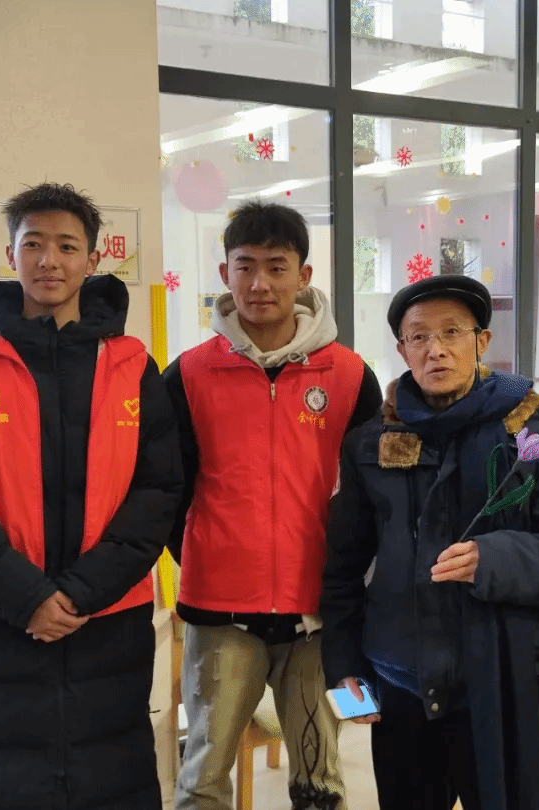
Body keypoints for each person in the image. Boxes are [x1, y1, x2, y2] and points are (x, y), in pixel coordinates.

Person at [0, 182, 183, 810]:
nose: (49, 261)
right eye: (33, 244)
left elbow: (157, 492)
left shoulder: (131, 365)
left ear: (93, 258)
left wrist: (82, 590)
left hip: (106, 620)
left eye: (66, 246)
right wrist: (28, 598)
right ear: (11, 254)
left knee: (109, 780)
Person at [320, 275, 539, 810]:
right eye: (419, 337)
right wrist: (342, 665)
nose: (436, 349)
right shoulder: (371, 445)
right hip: (401, 682)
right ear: (402, 350)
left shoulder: (530, 440)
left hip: (503, 683)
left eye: (452, 332)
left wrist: (496, 558)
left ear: (481, 341)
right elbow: (342, 569)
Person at [164, 201, 382, 810]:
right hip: (218, 610)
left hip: (318, 611)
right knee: (203, 772)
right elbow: (167, 491)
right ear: (225, 273)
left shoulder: (349, 375)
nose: (260, 283)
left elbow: (370, 495)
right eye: (246, 266)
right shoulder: (187, 376)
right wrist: (208, 553)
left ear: (303, 276)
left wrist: (352, 586)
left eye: (277, 267)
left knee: (320, 776)